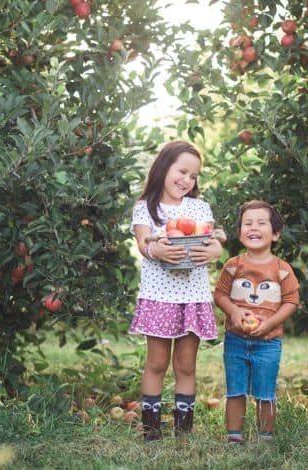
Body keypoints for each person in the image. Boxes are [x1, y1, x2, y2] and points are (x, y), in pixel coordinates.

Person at [129, 140, 223, 441]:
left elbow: (210, 240)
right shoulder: (146, 207)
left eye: (193, 176)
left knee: (186, 364)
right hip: (159, 297)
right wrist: (156, 249)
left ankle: (183, 430)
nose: (186, 180)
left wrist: (215, 250)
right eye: (182, 171)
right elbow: (144, 244)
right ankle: (151, 430)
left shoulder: (198, 207)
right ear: (163, 167)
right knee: (157, 362)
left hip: (192, 296)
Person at [213, 200, 300, 444]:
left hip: (268, 342)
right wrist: (234, 312)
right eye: (247, 223)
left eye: (261, 223)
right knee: (236, 390)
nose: (254, 227)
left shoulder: (282, 270)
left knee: (265, 392)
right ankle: (234, 437)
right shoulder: (233, 266)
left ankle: (265, 438)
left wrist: (271, 322)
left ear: (275, 233)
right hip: (236, 340)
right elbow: (219, 295)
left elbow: (292, 301)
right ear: (240, 232)